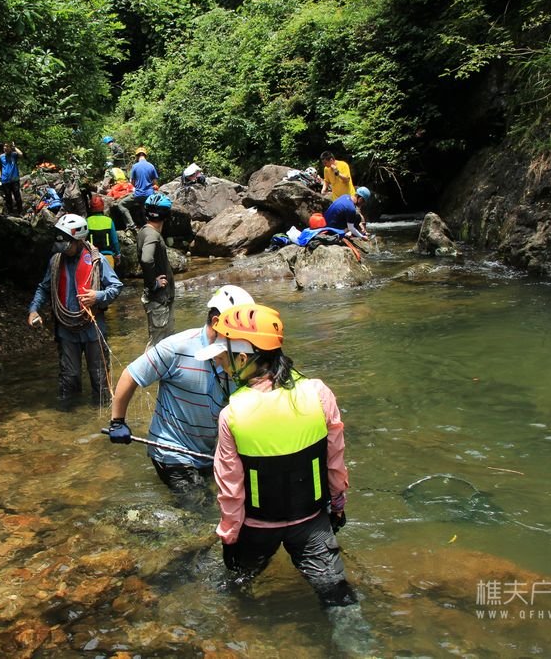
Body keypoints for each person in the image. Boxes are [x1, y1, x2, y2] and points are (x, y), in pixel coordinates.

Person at [194, 303, 371, 650]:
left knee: (235, 586)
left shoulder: (232, 415)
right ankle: (361, 649)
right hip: (312, 523)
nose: (220, 363)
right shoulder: (319, 393)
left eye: (224, 357)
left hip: (257, 529)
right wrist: (337, 507)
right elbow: (335, 462)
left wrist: (229, 538)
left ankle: (233, 642)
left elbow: (231, 492)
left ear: (243, 358)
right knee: (340, 601)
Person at [107, 286, 255, 503]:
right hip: (171, 450)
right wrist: (117, 422)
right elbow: (131, 375)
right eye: (238, 329)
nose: (244, 336)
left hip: (206, 452)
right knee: (200, 505)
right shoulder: (177, 347)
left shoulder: (239, 357)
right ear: (216, 322)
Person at [28, 213, 123, 406]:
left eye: (68, 244)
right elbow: (44, 287)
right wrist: (34, 309)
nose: (64, 249)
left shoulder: (97, 260)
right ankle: (69, 416)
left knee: (100, 379)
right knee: (69, 378)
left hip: (92, 329)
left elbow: (116, 287)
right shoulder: (56, 261)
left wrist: (97, 296)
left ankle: (103, 415)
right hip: (66, 330)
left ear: (79, 240)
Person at [138, 193, 176, 346]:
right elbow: (146, 259)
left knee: (165, 344)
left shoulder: (144, 231)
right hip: (159, 301)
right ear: (166, 215)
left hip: (160, 301)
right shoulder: (152, 235)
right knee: (157, 346)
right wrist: (153, 283)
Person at [86, 193, 121, 267]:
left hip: (92, 257)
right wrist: (118, 254)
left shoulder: (87, 221)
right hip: (107, 256)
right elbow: (115, 241)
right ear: (102, 206)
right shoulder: (109, 221)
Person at [129, 147, 159, 227]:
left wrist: (137, 186)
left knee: (122, 204)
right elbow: (155, 183)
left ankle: (135, 224)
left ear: (137, 156)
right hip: (149, 194)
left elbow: (132, 182)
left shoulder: (135, 166)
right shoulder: (151, 166)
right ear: (145, 156)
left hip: (138, 195)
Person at [0, 141, 24, 214]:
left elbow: (21, 154)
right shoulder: (1, 156)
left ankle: (20, 212)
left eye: (7, 146)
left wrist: (14, 147)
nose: (5, 148)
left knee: (17, 196)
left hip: (14, 179)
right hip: (5, 180)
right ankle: (10, 212)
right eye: (4, 146)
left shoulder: (14, 155)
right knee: (8, 197)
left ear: (10, 148)